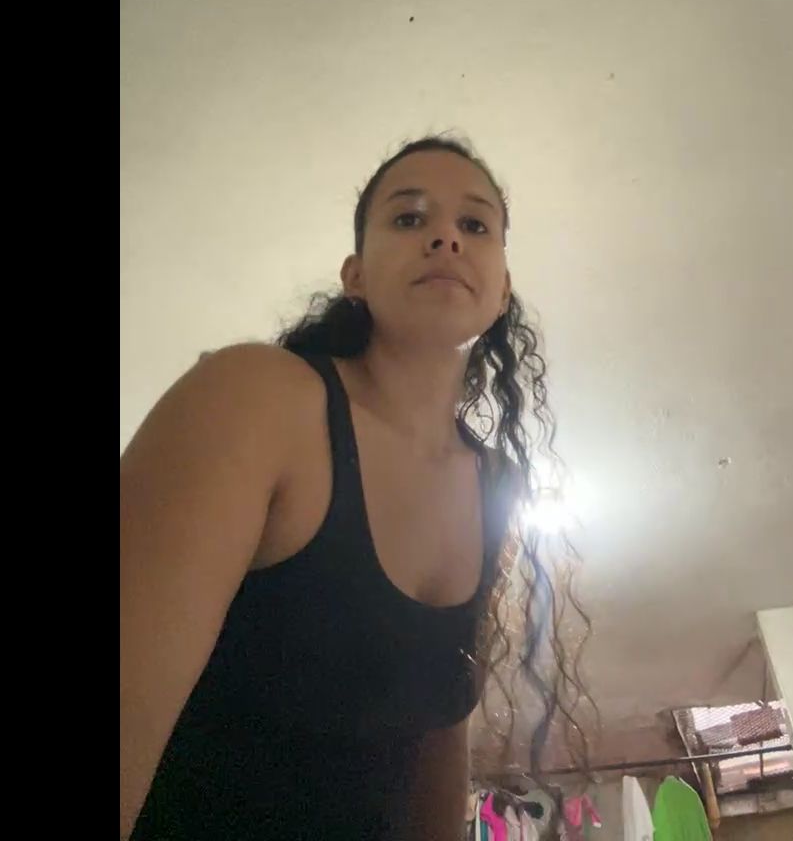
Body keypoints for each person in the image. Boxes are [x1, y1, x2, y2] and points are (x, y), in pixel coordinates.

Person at [120, 136, 592, 840]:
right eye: (409, 218)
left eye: (474, 224)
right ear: (356, 275)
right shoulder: (255, 398)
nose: (445, 237)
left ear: (501, 291)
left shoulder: (498, 486)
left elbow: (439, 742)